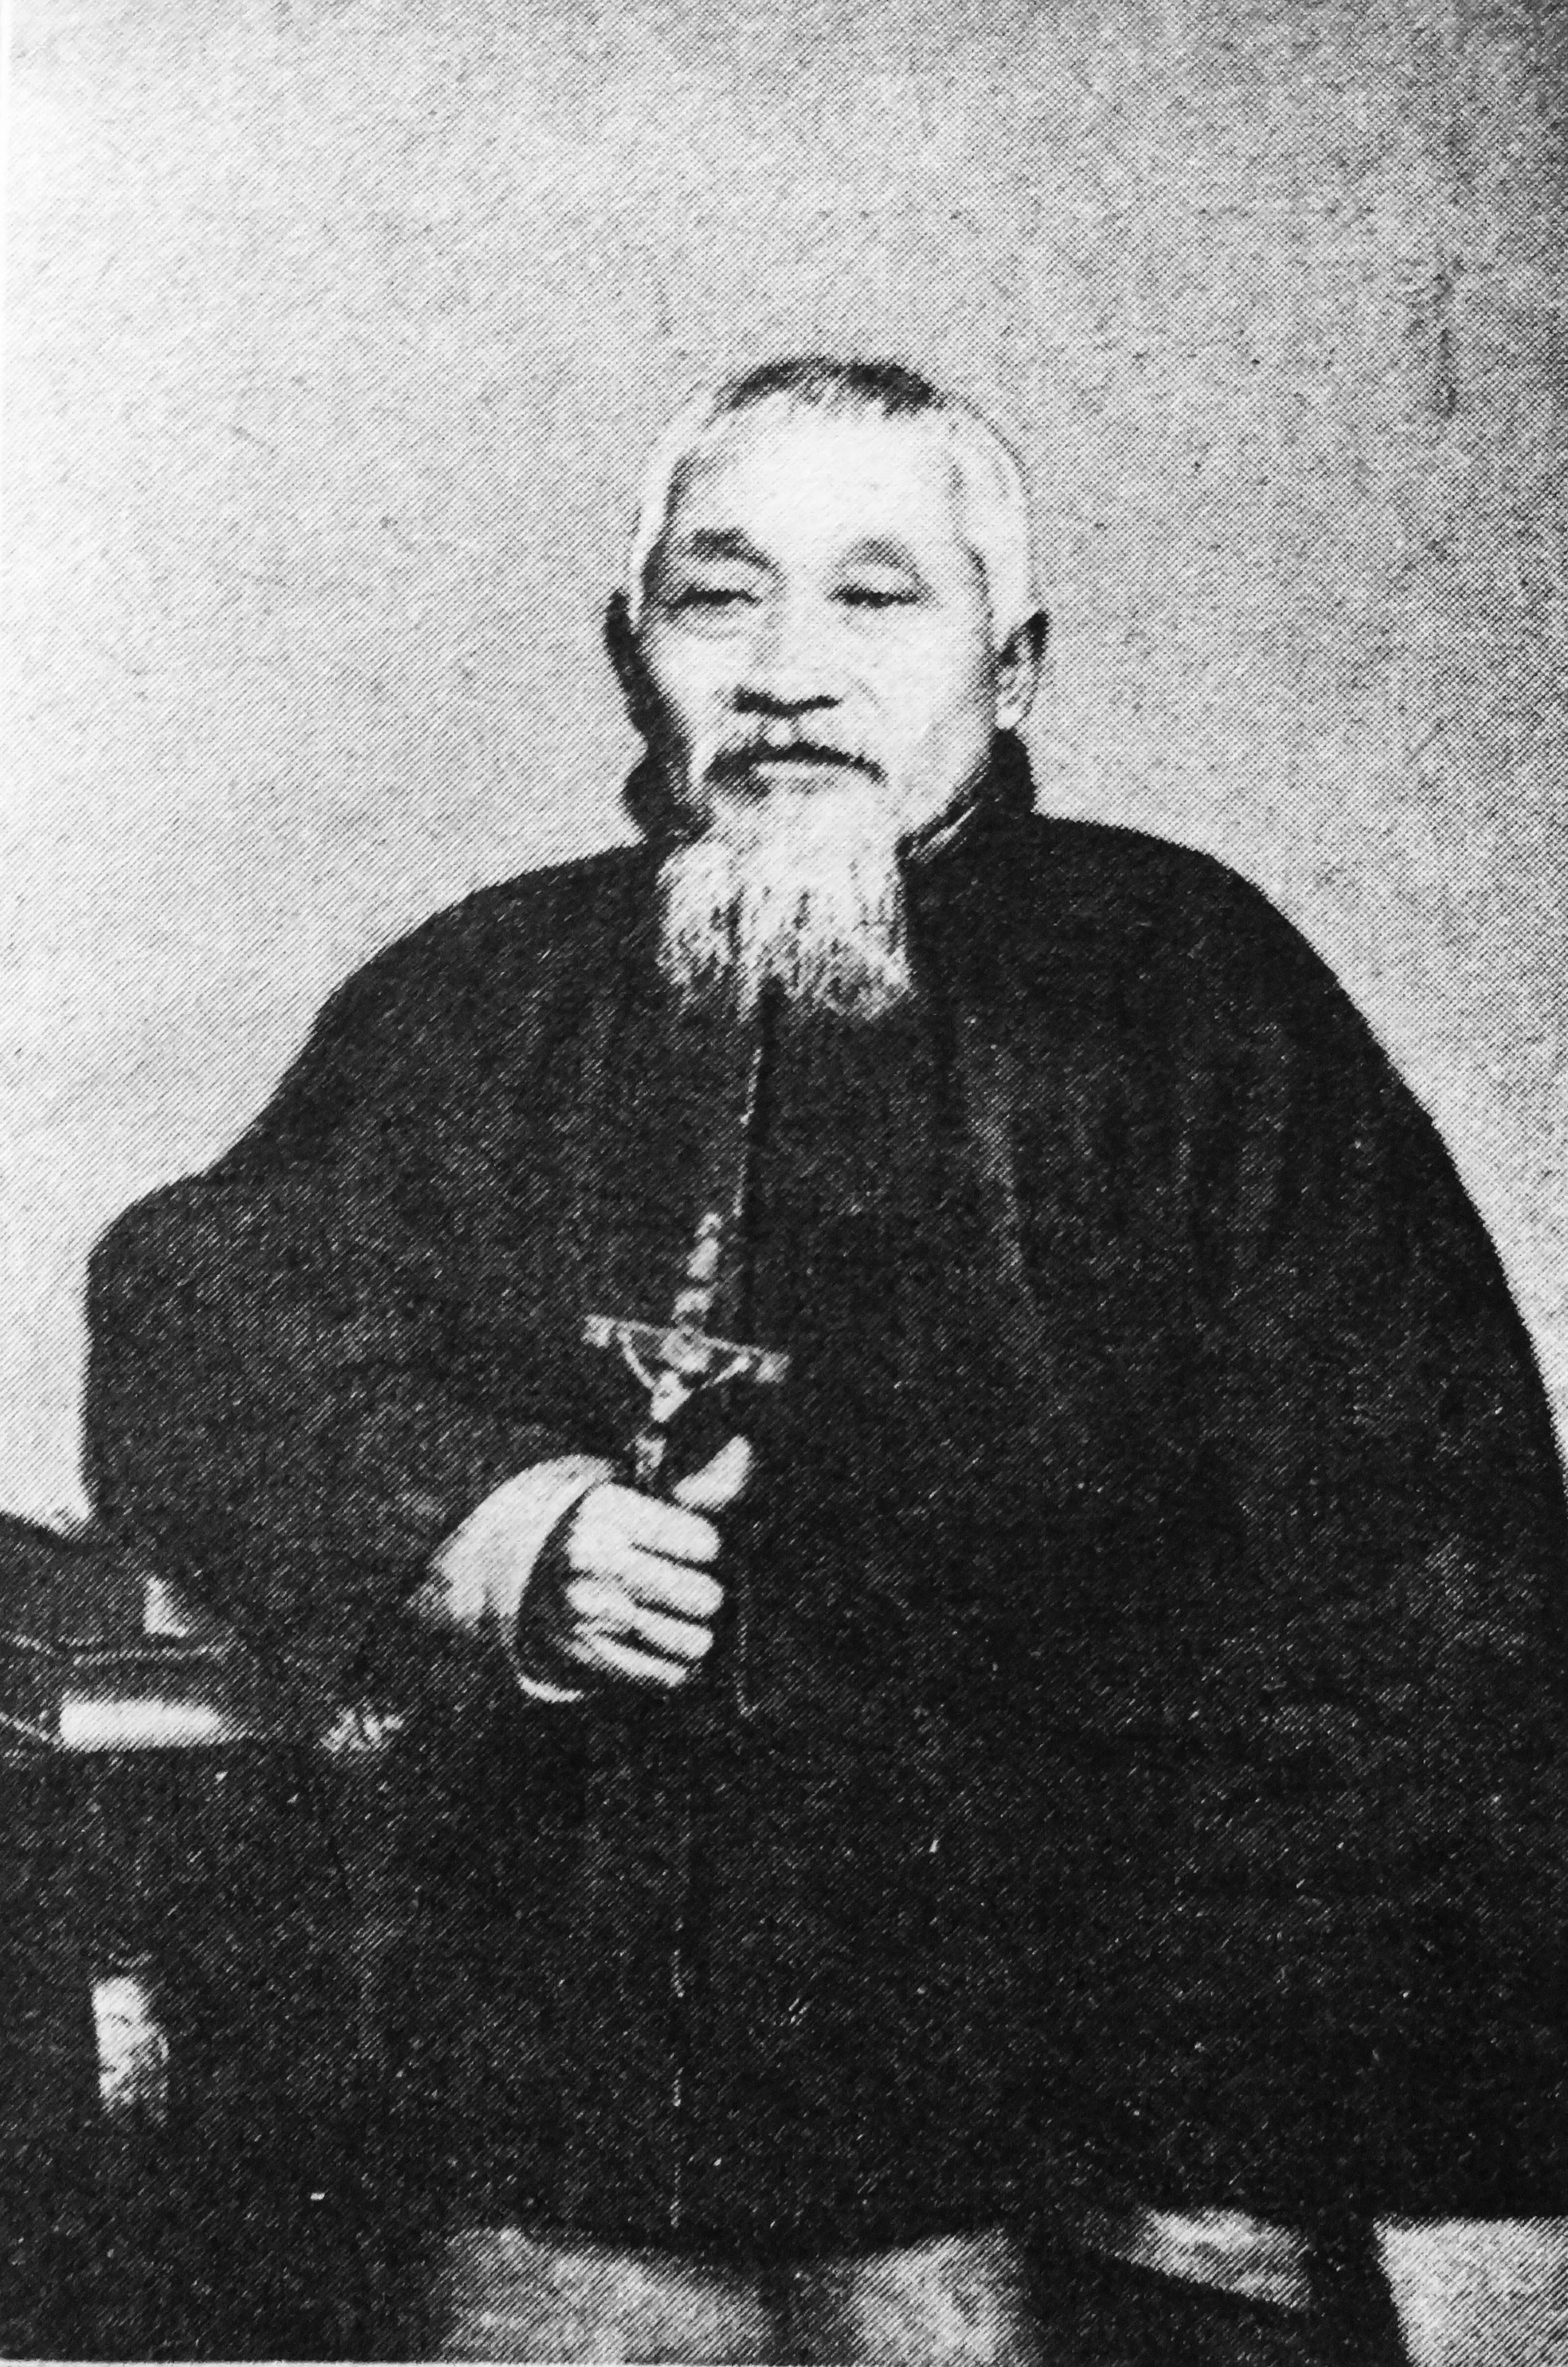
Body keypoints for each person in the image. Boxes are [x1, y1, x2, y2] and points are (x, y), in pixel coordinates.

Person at [85, 357, 1568, 2364]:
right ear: (633, 651)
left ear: (1011, 663)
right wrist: (499, 1528)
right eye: (720, 597)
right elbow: (195, 1304)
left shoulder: (1187, 993)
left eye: (877, 598)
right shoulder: (484, 992)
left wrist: (1222, 2130)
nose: (788, 671)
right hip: (576, 2137)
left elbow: (1431, 1581)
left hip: (1084, 2143)